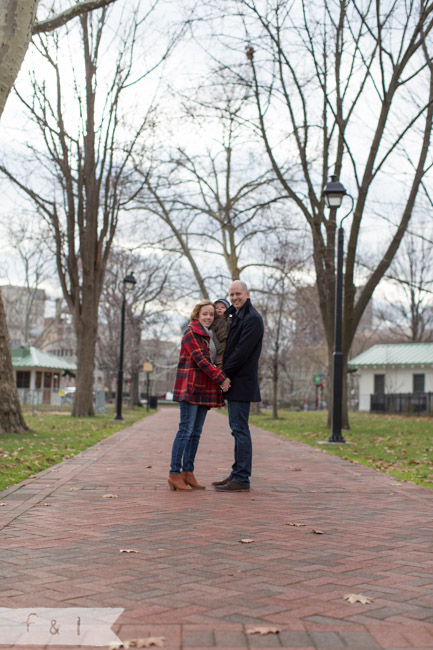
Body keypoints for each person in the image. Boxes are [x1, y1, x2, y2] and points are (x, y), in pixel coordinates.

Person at [169, 299, 231, 491]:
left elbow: (213, 358)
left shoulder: (209, 335)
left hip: (204, 389)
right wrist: (222, 378)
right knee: (185, 431)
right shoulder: (191, 333)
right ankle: (174, 473)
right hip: (190, 387)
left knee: (195, 434)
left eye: (211, 314)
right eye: (205, 314)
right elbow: (202, 361)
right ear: (197, 314)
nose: (208, 317)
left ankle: (188, 472)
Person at [213, 280, 264, 492]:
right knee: (237, 429)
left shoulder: (252, 319)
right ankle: (236, 473)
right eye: (231, 294)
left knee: (240, 430)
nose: (234, 298)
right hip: (235, 381)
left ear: (247, 294)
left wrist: (221, 375)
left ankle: (242, 478)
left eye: (238, 294)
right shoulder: (235, 315)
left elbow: (241, 353)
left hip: (241, 381)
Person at [210, 298, 231, 368]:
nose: (219, 309)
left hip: (229, 344)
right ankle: (221, 377)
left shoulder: (229, 319)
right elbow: (213, 336)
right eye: (217, 307)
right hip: (220, 345)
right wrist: (219, 349)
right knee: (221, 364)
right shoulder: (214, 321)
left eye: (222, 307)